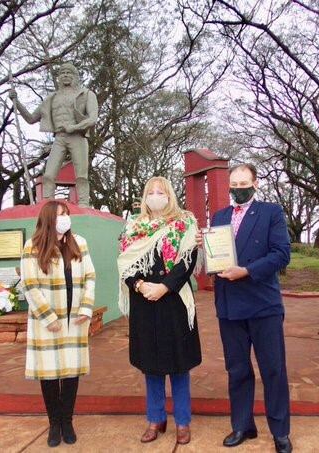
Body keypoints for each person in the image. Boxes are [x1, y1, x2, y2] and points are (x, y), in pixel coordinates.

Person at [197, 163, 292, 452]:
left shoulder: (271, 213)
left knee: (273, 369)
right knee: (237, 369)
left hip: (263, 303)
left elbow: (281, 254)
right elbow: (216, 258)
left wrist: (247, 271)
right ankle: (242, 425)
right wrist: (205, 246)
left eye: (243, 183)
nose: (238, 189)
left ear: (255, 183)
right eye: (234, 185)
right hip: (229, 305)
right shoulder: (221, 215)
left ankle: (280, 432)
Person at [117, 176, 201, 446]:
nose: (155, 196)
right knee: (150, 366)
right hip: (143, 304)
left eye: (161, 192)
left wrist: (163, 287)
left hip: (173, 302)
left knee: (178, 366)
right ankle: (155, 419)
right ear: (145, 196)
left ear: (170, 195)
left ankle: (183, 422)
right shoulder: (133, 226)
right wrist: (140, 286)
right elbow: (125, 265)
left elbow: (186, 263)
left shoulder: (185, 222)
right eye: (151, 192)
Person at [21, 201, 95, 447]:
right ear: (48, 220)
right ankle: (54, 422)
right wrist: (48, 317)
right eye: (59, 215)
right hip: (47, 322)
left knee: (71, 373)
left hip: (75, 319)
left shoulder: (79, 243)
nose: (64, 219)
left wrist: (85, 308)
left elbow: (90, 277)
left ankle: (67, 420)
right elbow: (29, 285)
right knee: (50, 375)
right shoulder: (32, 247)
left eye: (67, 214)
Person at [10, 63, 98, 207]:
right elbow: (31, 119)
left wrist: (73, 127)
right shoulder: (51, 98)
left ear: (76, 76)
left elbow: (92, 118)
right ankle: (46, 204)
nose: (65, 75)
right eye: (63, 72)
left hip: (77, 137)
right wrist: (16, 102)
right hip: (59, 138)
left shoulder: (86, 94)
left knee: (81, 175)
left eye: (69, 72)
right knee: (49, 175)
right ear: (58, 77)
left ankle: (83, 203)